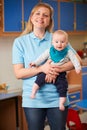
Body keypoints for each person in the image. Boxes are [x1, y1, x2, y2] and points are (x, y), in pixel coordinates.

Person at [12, 2, 82, 130]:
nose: (41, 17)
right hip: (33, 99)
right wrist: (42, 69)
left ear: (49, 20)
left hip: (57, 97)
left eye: (46, 15)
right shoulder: (20, 42)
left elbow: (77, 61)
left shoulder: (58, 38)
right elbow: (18, 73)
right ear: (32, 17)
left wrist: (56, 69)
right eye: (38, 14)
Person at [30, 30, 81, 111]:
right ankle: (34, 91)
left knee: (63, 86)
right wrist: (35, 63)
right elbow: (42, 57)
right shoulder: (50, 51)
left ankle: (61, 103)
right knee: (39, 78)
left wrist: (77, 68)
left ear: (67, 43)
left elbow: (75, 60)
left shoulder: (68, 51)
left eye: (62, 42)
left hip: (61, 74)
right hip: (47, 70)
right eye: (56, 42)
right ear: (52, 43)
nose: (59, 44)